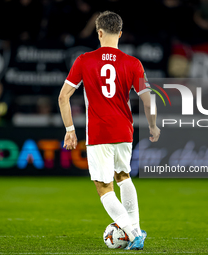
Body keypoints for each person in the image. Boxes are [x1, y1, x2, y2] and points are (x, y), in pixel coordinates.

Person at [58, 11, 160, 250]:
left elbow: (63, 96)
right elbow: (148, 101)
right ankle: (135, 229)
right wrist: (153, 125)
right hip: (124, 130)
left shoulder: (84, 60)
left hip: (99, 132)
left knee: (104, 187)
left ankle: (133, 232)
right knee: (124, 177)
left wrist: (70, 129)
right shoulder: (133, 63)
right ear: (120, 34)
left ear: (99, 32)